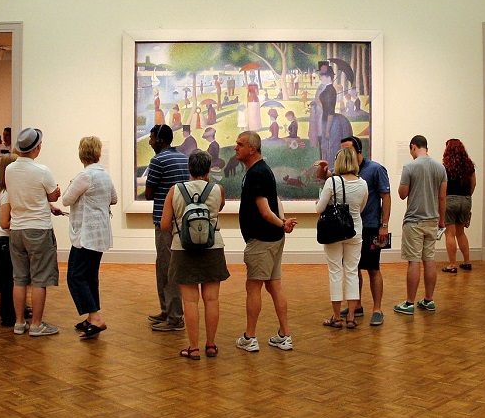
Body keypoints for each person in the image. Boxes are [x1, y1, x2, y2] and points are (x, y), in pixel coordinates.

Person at [313, 136, 391, 326]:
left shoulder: (375, 169)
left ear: (358, 151)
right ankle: (355, 308)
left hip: (371, 226)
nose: (343, 154)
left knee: (373, 268)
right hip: (355, 228)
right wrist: (323, 168)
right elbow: (324, 178)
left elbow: (386, 197)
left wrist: (384, 224)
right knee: (353, 270)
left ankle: (377, 308)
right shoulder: (352, 179)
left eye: (347, 150)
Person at [235, 131, 298, 352]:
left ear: (252, 149)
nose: (236, 148)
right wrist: (282, 223)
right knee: (274, 286)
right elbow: (275, 201)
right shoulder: (263, 170)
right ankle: (284, 334)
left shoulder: (256, 173)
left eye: (240, 144)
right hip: (273, 238)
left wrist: (281, 224)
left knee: (253, 288)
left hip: (262, 240)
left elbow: (264, 210)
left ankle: (250, 337)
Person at [162, 150, 228, 360]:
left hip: (183, 248)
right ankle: (210, 345)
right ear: (209, 168)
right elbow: (219, 209)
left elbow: (164, 225)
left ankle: (193, 348)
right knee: (212, 299)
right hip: (213, 246)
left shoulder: (175, 190)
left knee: (190, 302)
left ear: (189, 168)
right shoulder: (218, 189)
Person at [0, 128, 62, 337]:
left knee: (19, 278)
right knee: (39, 278)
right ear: (36, 148)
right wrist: (55, 193)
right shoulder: (42, 170)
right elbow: (52, 196)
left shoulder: (9, 170)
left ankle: (19, 323)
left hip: (17, 229)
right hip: (38, 228)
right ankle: (36, 324)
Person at [62, 136, 118, 340]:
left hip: (86, 234)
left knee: (75, 276)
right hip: (100, 233)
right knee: (90, 275)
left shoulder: (85, 176)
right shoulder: (104, 174)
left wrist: (70, 186)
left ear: (81, 153)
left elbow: (66, 199)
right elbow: (114, 198)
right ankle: (90, 316)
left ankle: (95, 317)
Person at [315, 147, 367, 329]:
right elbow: (361, 208)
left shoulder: (333, 182)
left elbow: (319, 209)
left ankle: (336, 317)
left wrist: (320, 202)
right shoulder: (363, 183)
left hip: (333, 232)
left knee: (335, 271)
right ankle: (351, 317)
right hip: (355, 230)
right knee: (352, 271)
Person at [144, 124, 190, 333]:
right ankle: (167, 311)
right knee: (166, 266)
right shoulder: (183, 157)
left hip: (164, 221)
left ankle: (174, 317)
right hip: (180, 221)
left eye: (152, 138)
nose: (150, 142)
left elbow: (149, 193)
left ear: (160, 140)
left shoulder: (157, 160)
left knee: (167, 268)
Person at [394, 135, 446, 316]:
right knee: (429, 259)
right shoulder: (440, 167)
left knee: (414, 260)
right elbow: (442, 197)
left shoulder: (410, 167)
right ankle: (429, 300)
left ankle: (409, 302)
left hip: (414, 220)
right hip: (433, 220)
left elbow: (402, 194)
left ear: (413, 147)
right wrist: (442, 220)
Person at [0, 153, 18, 327]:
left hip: (2, 238)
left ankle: (10, 309)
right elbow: (4, 223)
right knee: (8, 277)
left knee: (7, 276)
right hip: (5, 239)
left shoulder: (4, 191)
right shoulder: (6, 193)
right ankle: (8, 314)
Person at [440, 138, 475, 273]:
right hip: (465, 200)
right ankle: (467, 262)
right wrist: (467, 196)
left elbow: (442, 187)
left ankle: (453, 264)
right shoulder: (469, 165)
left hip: (450, 199)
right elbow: (473, 184)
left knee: (450, 234)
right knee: (461, 233)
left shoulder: (445, 167)